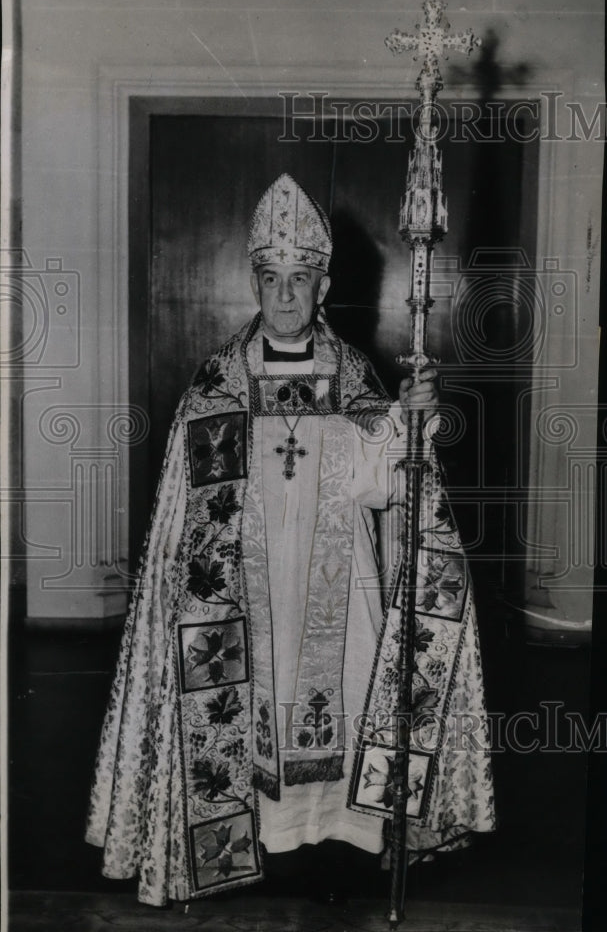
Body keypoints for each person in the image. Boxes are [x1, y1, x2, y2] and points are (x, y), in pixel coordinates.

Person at [85, 174, 495, 907]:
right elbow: (186, 519)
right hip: (246, 598)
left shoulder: (356, 378)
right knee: (244, 708)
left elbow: (385, 482)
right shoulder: (215, 385)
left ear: (323, 284)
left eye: (299, 280)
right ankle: (252, 838)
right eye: (271, 280)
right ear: (253, 281)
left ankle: (349, 833)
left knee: (352, 690)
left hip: (343, 591)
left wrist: (410, 422)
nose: (284, 297)